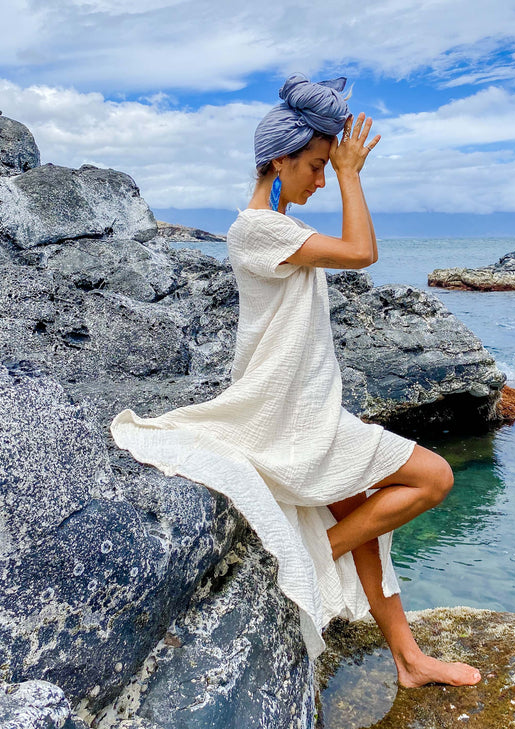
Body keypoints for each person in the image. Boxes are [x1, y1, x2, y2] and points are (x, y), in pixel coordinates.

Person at [111, 74, 481, 687]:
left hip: (311, 410)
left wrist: (335, 163)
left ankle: (409, 659)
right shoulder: (257, 228)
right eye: (314, 165)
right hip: (292, 418)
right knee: (434, 477)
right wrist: (352, 174)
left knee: (369, 519)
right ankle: (315, 556)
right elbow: (363, 252)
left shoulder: (279, 230)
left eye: (325, 168)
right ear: (278, 160)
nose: (319, 177)